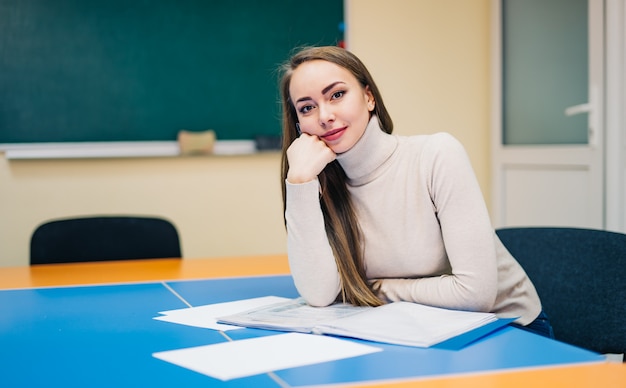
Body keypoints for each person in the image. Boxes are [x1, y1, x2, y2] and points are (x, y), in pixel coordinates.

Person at [278, 46, 554, 339]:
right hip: (412, 327)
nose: (325, 116)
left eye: (337, 95)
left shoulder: (436, 155)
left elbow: (475, 295)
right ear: (298, 125)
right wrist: (299, 182)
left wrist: (371, 289)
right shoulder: (318, 184)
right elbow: (320, 295)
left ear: (368, 97)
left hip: (505, 328)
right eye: (307, 107)